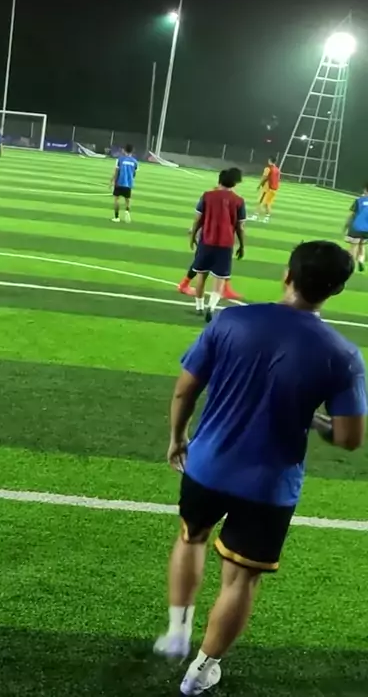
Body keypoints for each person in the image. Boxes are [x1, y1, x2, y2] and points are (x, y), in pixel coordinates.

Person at [154, 240, 366, 695]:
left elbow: (185, 389)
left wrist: (177, 438)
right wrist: (313, 419)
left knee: (191, 536)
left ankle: (177, 630)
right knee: (241, 578)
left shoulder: (232, 321)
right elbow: (350, 438)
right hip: (270, 484)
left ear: (287, 275)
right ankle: (200, 672)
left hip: (208, 464)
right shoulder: (343, 355)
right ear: (336, 290)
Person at [188, 169, 245, 319]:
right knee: (219, 280)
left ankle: (199, 307)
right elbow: (240, 227)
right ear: (234, 183)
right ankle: (211, 307)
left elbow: (198, 219)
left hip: (206, 241)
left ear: (219, 180)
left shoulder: (207, 196)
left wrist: (192, 236)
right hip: (225, 245)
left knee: (201, 276)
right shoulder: (239, 201)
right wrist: (242, 245)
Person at [111, 144, 138, 222]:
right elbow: (134, 174)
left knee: (116, 200)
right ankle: (127, 211)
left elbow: (116, 172)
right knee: (127, 200)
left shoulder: (120, 159)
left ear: (124, 150)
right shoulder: (135, 161)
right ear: (132, 151)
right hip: (128, 184)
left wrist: (112, 181)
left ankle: (117, 217)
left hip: (119, 183)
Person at [344, 184, 368, 271]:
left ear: (365, 190)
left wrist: (346, 225)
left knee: (354, 246)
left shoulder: (359, 200)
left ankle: (350, 264)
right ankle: (361, 261)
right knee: (362, 246)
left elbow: (352, 214)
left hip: (356, 227)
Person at [250, 156, 280, 222]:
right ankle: (266, 218)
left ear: (269, 160)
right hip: (274, 189)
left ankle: (255, 216)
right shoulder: (277, 169)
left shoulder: (268, 168)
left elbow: (264, 177)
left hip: (267, 188)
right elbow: (277, 179)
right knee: (268, 203)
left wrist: (259, 185)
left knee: (260, 202)